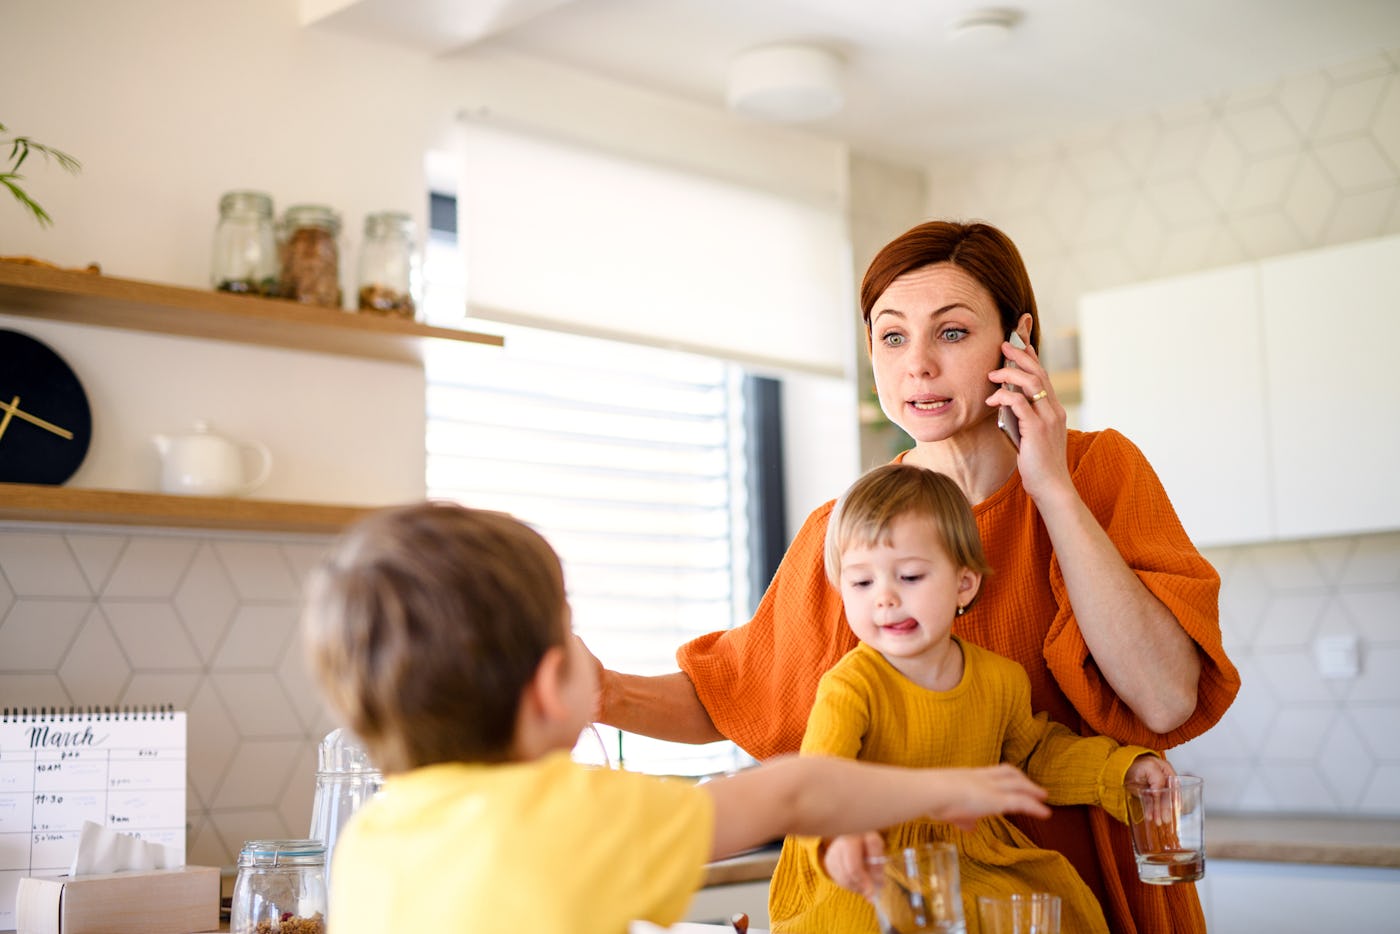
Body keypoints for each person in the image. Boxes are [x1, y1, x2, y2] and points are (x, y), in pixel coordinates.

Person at [591, 220, 1240, 934]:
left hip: (1081, 897)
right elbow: (737, 691)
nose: (918, 366)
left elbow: (1166, 698)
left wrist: (1050, 487)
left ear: (1017, 340)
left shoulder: (1100, 473)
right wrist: (602, 692)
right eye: (893, 337)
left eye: (952, 333)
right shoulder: (846, 530)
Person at [300, 501, 1053, 934]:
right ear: (548, 685)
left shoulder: (369, 837)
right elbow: (791, 792)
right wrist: (948, 789)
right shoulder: (576, 814)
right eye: (571, 628)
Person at [768, 463, 1175, 933]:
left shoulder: (999, 679)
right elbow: (821, 780)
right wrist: (839, 841)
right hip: (867, 859)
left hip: (969, 854)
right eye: (862, 583)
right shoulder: (851, 686)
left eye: (911, 577)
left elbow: (1034, 757)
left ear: (964, 583)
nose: (884, 599)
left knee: (1052, 908)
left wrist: (1119, 770)